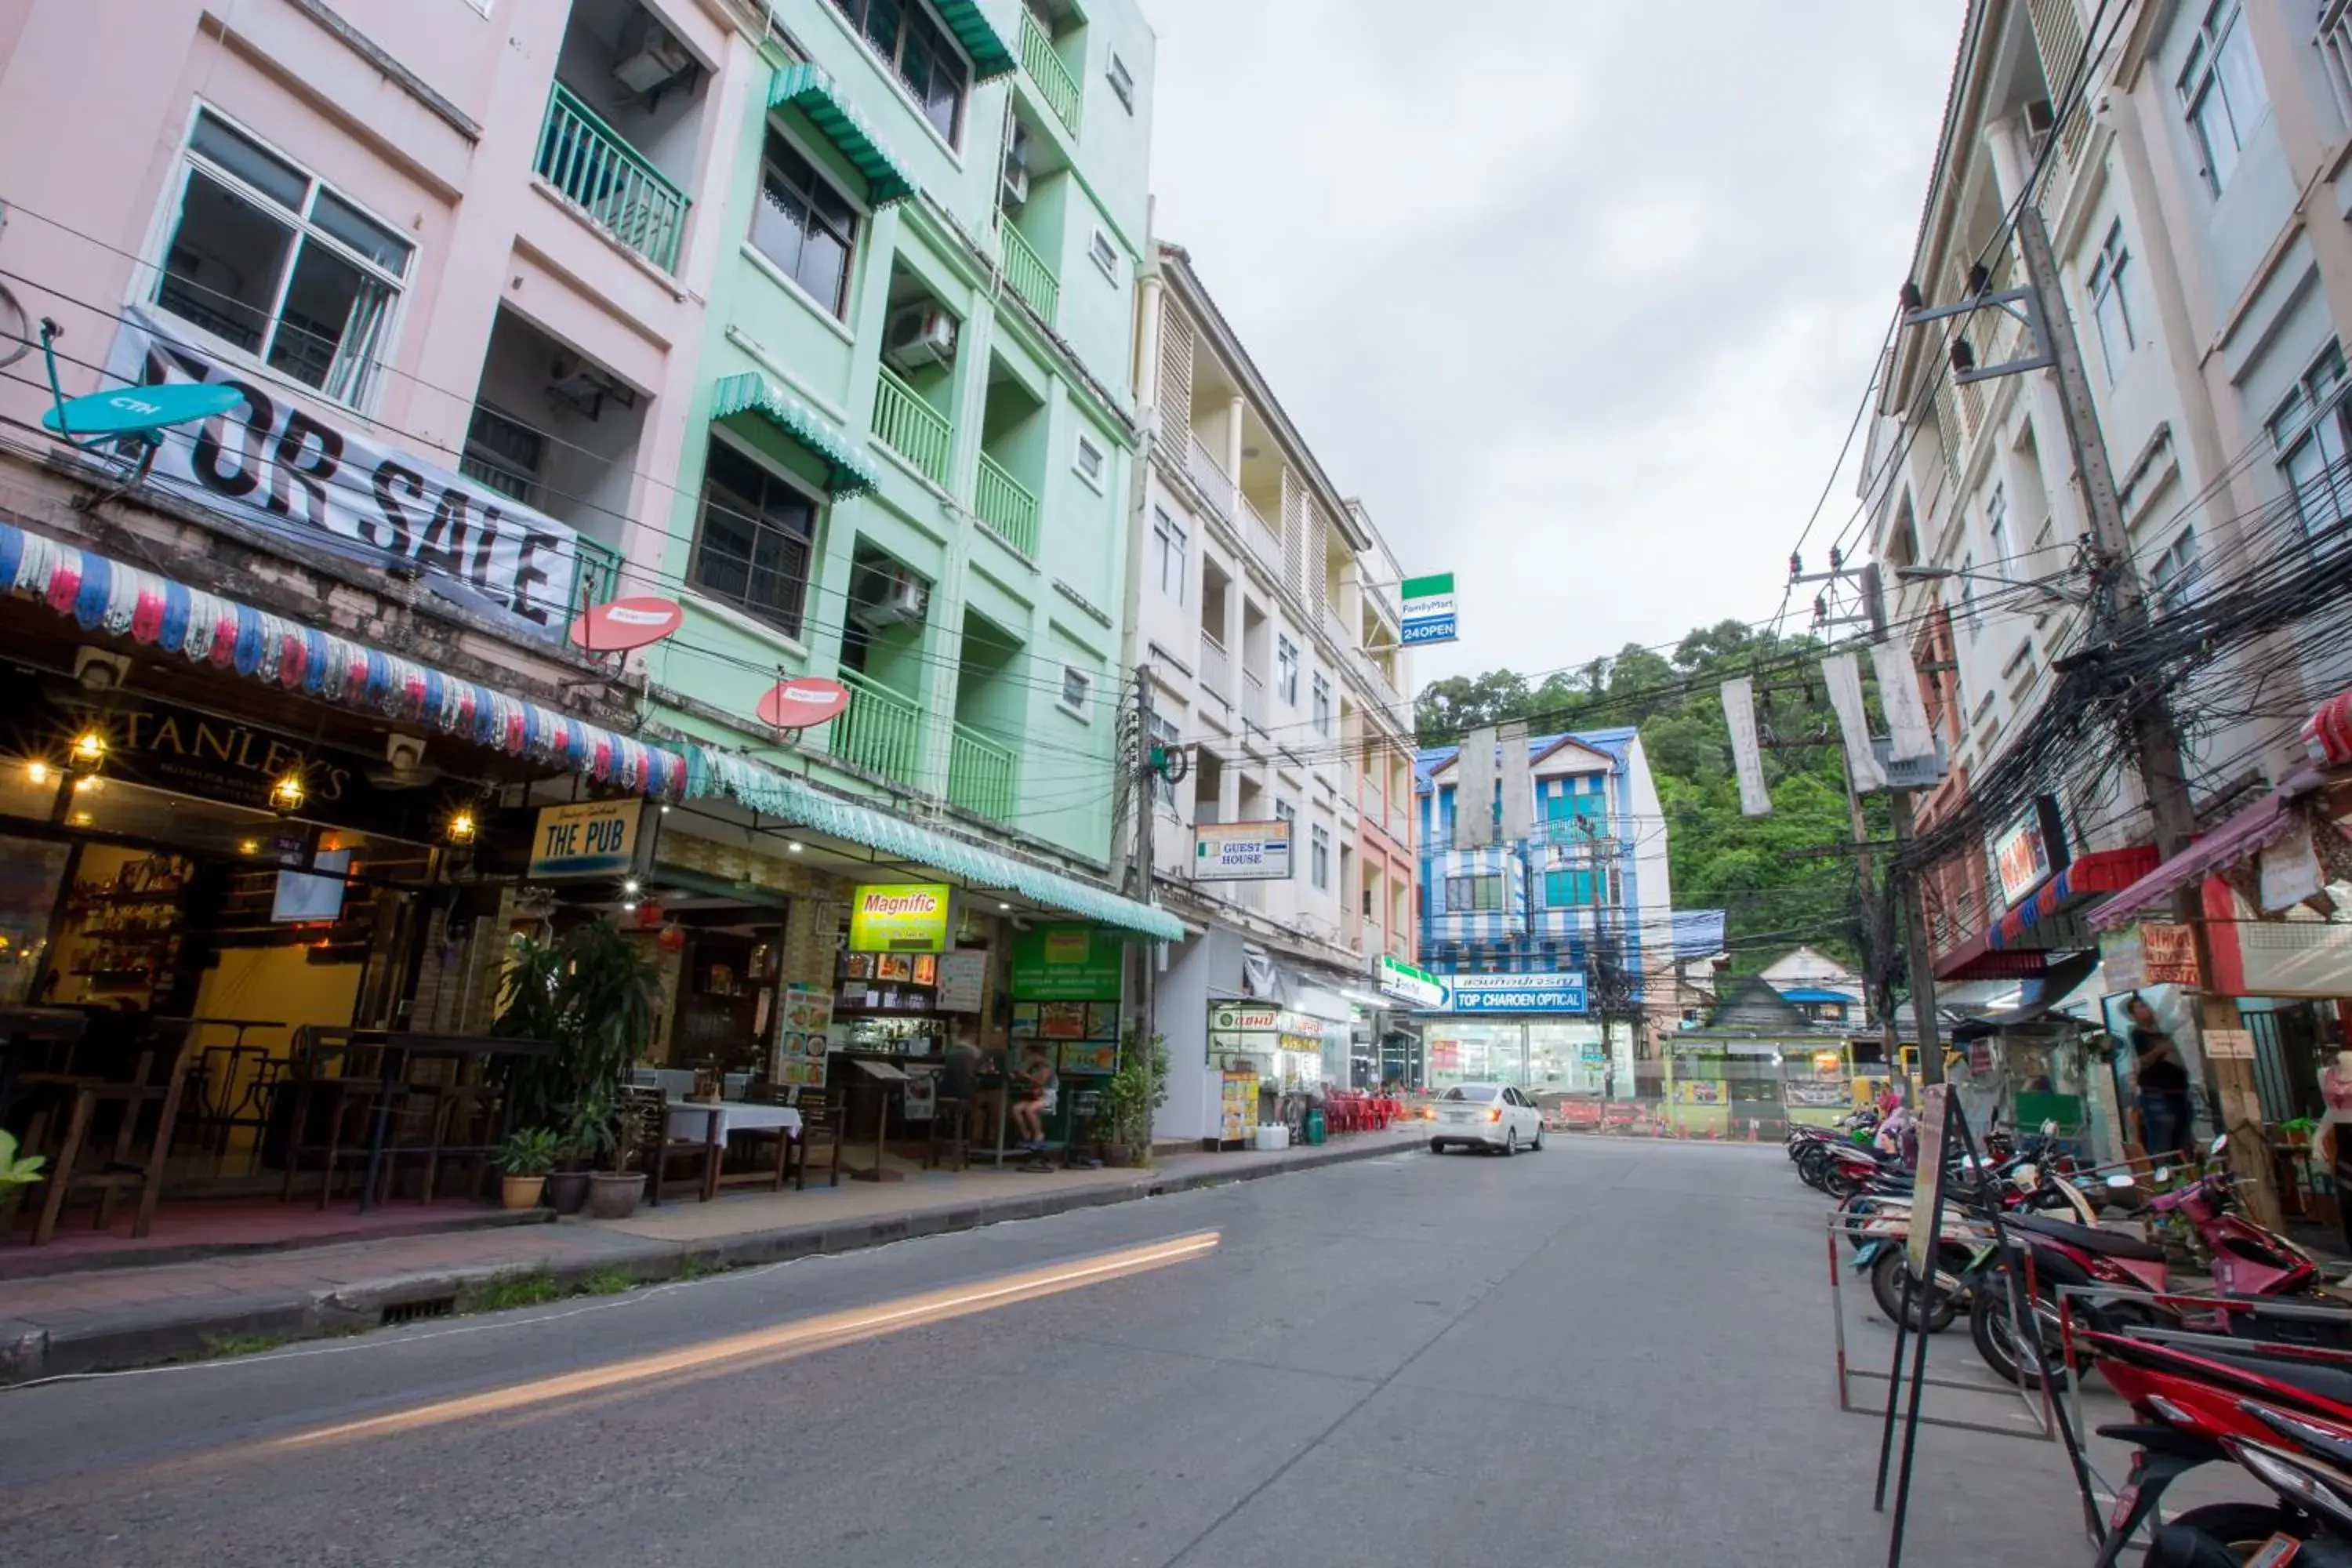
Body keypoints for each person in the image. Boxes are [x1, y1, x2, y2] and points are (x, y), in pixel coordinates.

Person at [2128, 995, 2194, 1164]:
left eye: (2146, 1005)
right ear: (2133, 1015)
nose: (2146, 1009)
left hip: (2179, 1090)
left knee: (2183, 1141)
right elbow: (2140, 1064)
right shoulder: (2137, 1035)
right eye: (2140, 1007)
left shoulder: (2165, 1031)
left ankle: (2184, 1181)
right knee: (2162, 1142)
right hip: (2157, 1092)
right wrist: (2159, 1051)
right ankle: (2163, 1180)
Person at [1010, 1047, 1056, 1171]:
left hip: (1047, 1096)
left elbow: (1039, 1083)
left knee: (1030, 1110)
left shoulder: (1047, 1068)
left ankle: (1039, 1135)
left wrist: (1027, 1076)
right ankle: (1026, 1135)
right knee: (1016, 1109)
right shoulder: (1034, 1068)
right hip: (1034, 1096)